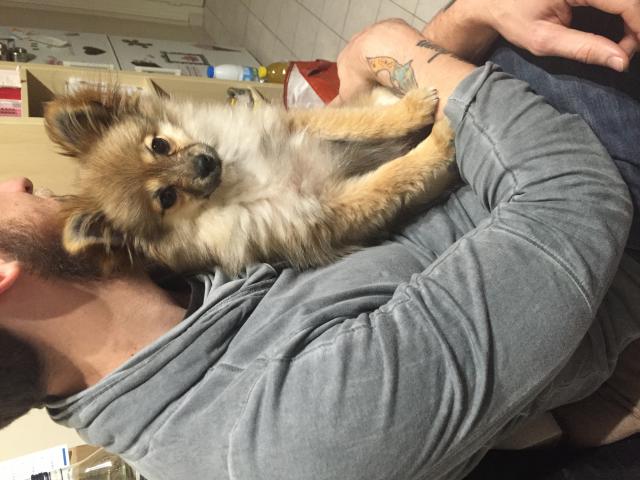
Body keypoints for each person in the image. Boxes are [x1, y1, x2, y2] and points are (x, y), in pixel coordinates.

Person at [0, 2, 638, 480]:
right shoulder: (280, 438)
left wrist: (452, 27)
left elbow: (344, 138)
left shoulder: (173, 283)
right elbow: (577, 202)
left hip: (502, 153)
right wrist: (404, 50)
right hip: (594, 198)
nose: (13, 180)